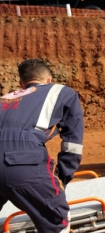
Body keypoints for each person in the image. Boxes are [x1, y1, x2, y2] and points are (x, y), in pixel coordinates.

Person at [0, 59, 84, 232]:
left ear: (21, 84)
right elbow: (72, 143)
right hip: (23, 162)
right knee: (56, 220)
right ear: (49, 79)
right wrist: (62, 177)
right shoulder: (62, 92)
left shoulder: (4, 99)